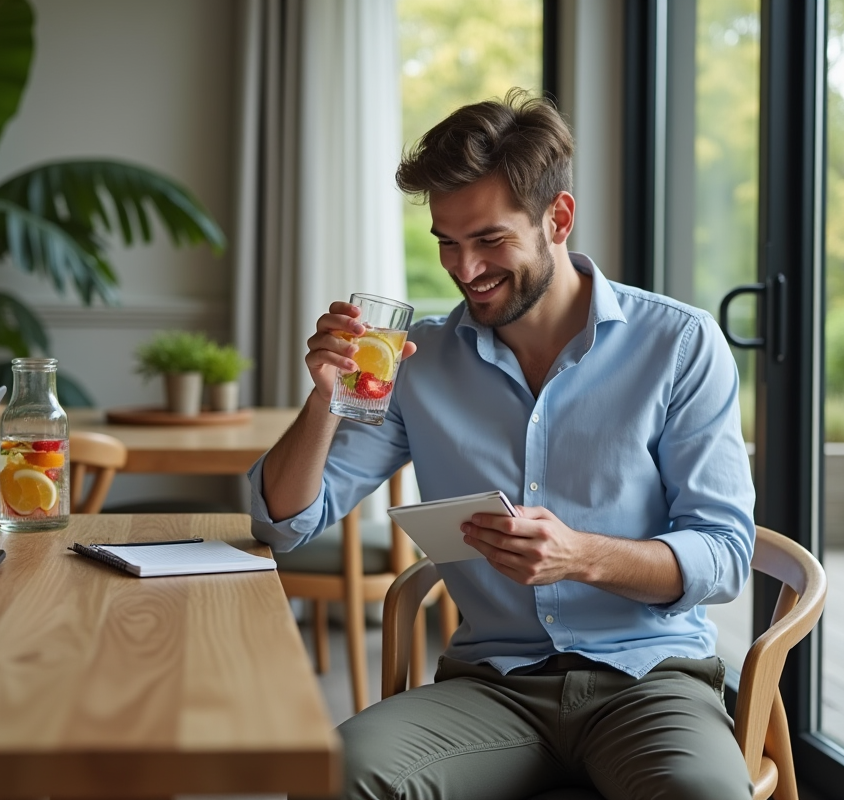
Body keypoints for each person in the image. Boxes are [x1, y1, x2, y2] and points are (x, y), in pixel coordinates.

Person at [247, 88, 756, 800]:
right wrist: (326, 394)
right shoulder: (416, 360)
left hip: (649, 680)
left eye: (489, 240)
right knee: (338, 776)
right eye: (447, 243)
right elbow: (285, 521)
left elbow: (726, 553)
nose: (465, 268)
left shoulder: (676, 343)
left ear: (559, 217)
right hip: (493, 689)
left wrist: (582, 555)